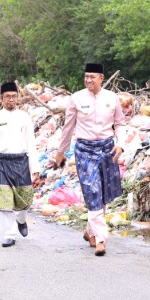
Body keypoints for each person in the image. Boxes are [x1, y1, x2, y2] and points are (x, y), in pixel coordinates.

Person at [55, 63, 126, 256]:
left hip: (107, 149)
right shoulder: (76, 98)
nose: (88, 80)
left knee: (102, 194)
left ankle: (90, 231)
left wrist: (121, 144)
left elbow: (120, 124)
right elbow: (68, 127)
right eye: (86, 76)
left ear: (101, 78)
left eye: (92, 77)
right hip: (84, 150)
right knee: (92, 190)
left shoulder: (112, 98)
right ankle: (101, 239)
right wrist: (61, 151)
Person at [0, 82, 39, 247]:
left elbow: (31, 144)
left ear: (18, 98)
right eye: (7, 97)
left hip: (21, 161)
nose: (10, 100)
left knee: (26, 198)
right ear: (1, 99)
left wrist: (35, 168)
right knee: (4, 200)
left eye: (13, 96)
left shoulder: (24, 117)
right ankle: (9, 234)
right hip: (1, 162)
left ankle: (21, 219)